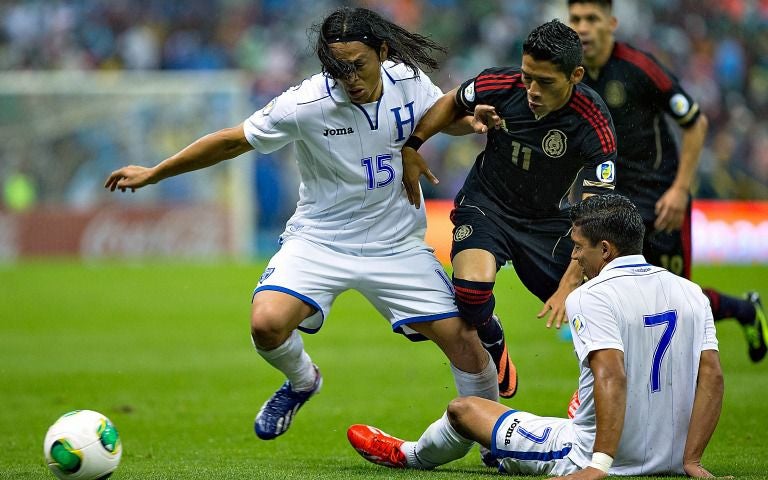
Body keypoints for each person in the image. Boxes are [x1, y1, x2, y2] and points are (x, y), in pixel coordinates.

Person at [104, 7, 500, 441]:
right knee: (266, 323)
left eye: (358, 65)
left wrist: (472, 122)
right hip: (321, 241)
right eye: (337, 67)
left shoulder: (408, 81)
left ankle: (492, 439)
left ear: (383, 52)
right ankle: (302, 381)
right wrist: (155, 172)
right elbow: (231, 141)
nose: (348, 77)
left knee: (465, 343)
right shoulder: (306, 103)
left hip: (397, 244)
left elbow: (440, 118)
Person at [347, 193, 725, 479]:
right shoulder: (689, 291)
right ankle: (501, 448)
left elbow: (612, 374)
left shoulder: (591, 296)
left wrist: (598, 465)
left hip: (588, 454)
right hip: (672, 458)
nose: (574, 259)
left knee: (463, 410)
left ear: (606, 249)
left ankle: (408, 454)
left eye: (579, 247)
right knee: (580, 399)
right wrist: (691, 459)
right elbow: (711, 375)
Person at [400, 19, 617, 398]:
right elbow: (452, 101)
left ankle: (589, 402)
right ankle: (491, 334)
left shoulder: (593, 123)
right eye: (527, 75)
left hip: (547, 220)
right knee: (470, 292)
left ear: (576, 75)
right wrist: (413, 144)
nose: (532, 90)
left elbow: (596, 211)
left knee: (596, 308)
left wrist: (569, 285)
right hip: (488, 204)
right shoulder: (500, 84)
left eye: (545, 82)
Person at [567, 0, 766, 363]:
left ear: (611, 23)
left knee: (678, 299)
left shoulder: (640, 68)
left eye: (591, 19)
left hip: (661, 200)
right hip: (615, 205)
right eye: (576, 19)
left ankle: (744, 311)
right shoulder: (572, 75)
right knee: (609, 287)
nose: (583, 27)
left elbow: (696, 122)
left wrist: (679, 189)